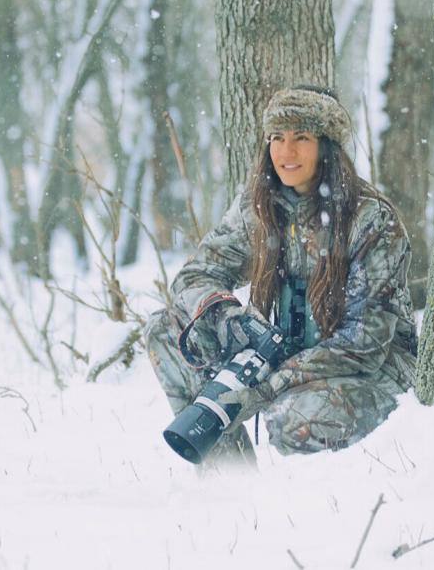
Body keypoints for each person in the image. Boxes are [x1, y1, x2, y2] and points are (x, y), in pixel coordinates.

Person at [144, 84, 418, 467]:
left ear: (327, 146)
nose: (286, 152)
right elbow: (195, 275)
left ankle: (324, 508)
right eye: (276, 138)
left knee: (294, 421)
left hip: (367, 374)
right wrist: (228, 319)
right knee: (167, 329)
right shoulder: (259, 207)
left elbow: (365, 345)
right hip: (284, 354)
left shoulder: (370, 220)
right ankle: (230, 486)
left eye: (301, 138)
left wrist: (267, 386)